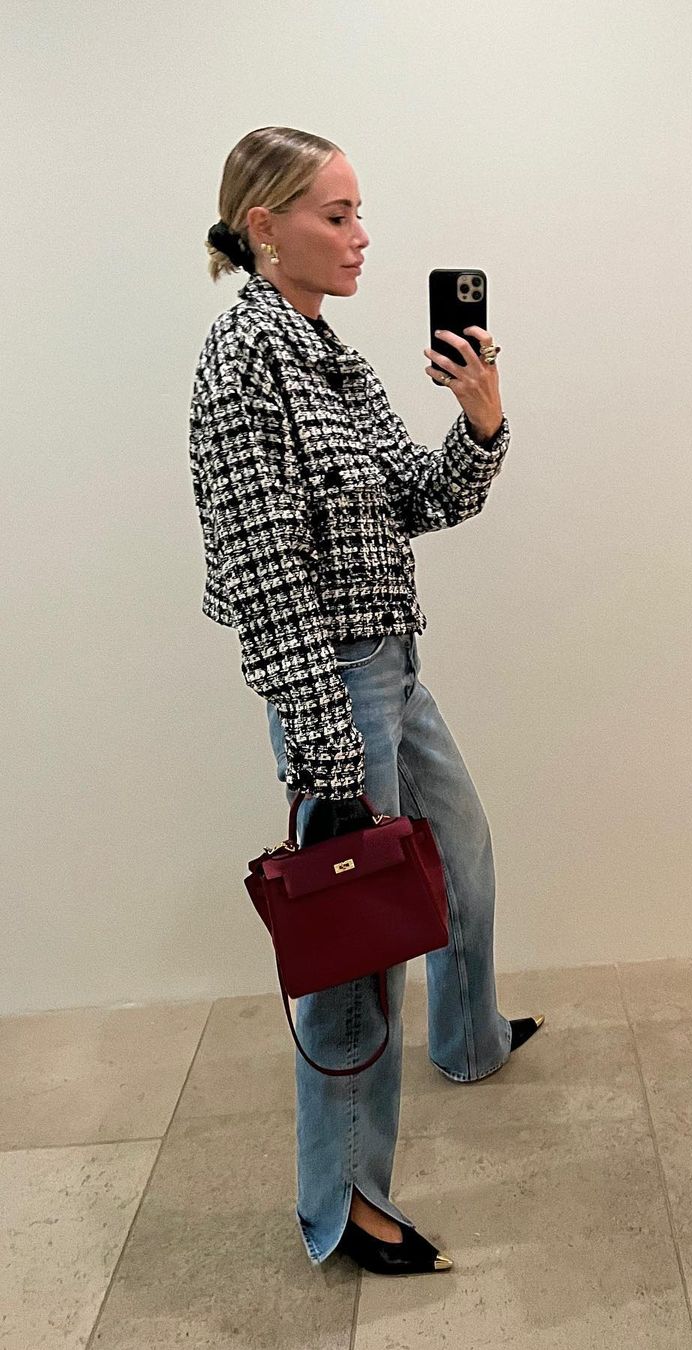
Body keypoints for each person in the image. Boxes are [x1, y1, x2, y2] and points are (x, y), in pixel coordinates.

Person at [187, 125, 544, 1276]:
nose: (361, 237)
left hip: (392, 664)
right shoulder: (245, 360)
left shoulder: (323, 351)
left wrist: (480, 418)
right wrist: (330, 759)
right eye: (335, 215)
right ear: (264, 227)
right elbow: (266, 579)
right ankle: (343, 1205)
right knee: (357, 952)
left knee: (462, 852)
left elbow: (420, 497)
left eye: (358, 213)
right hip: (336, 688)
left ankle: (470, 1038)